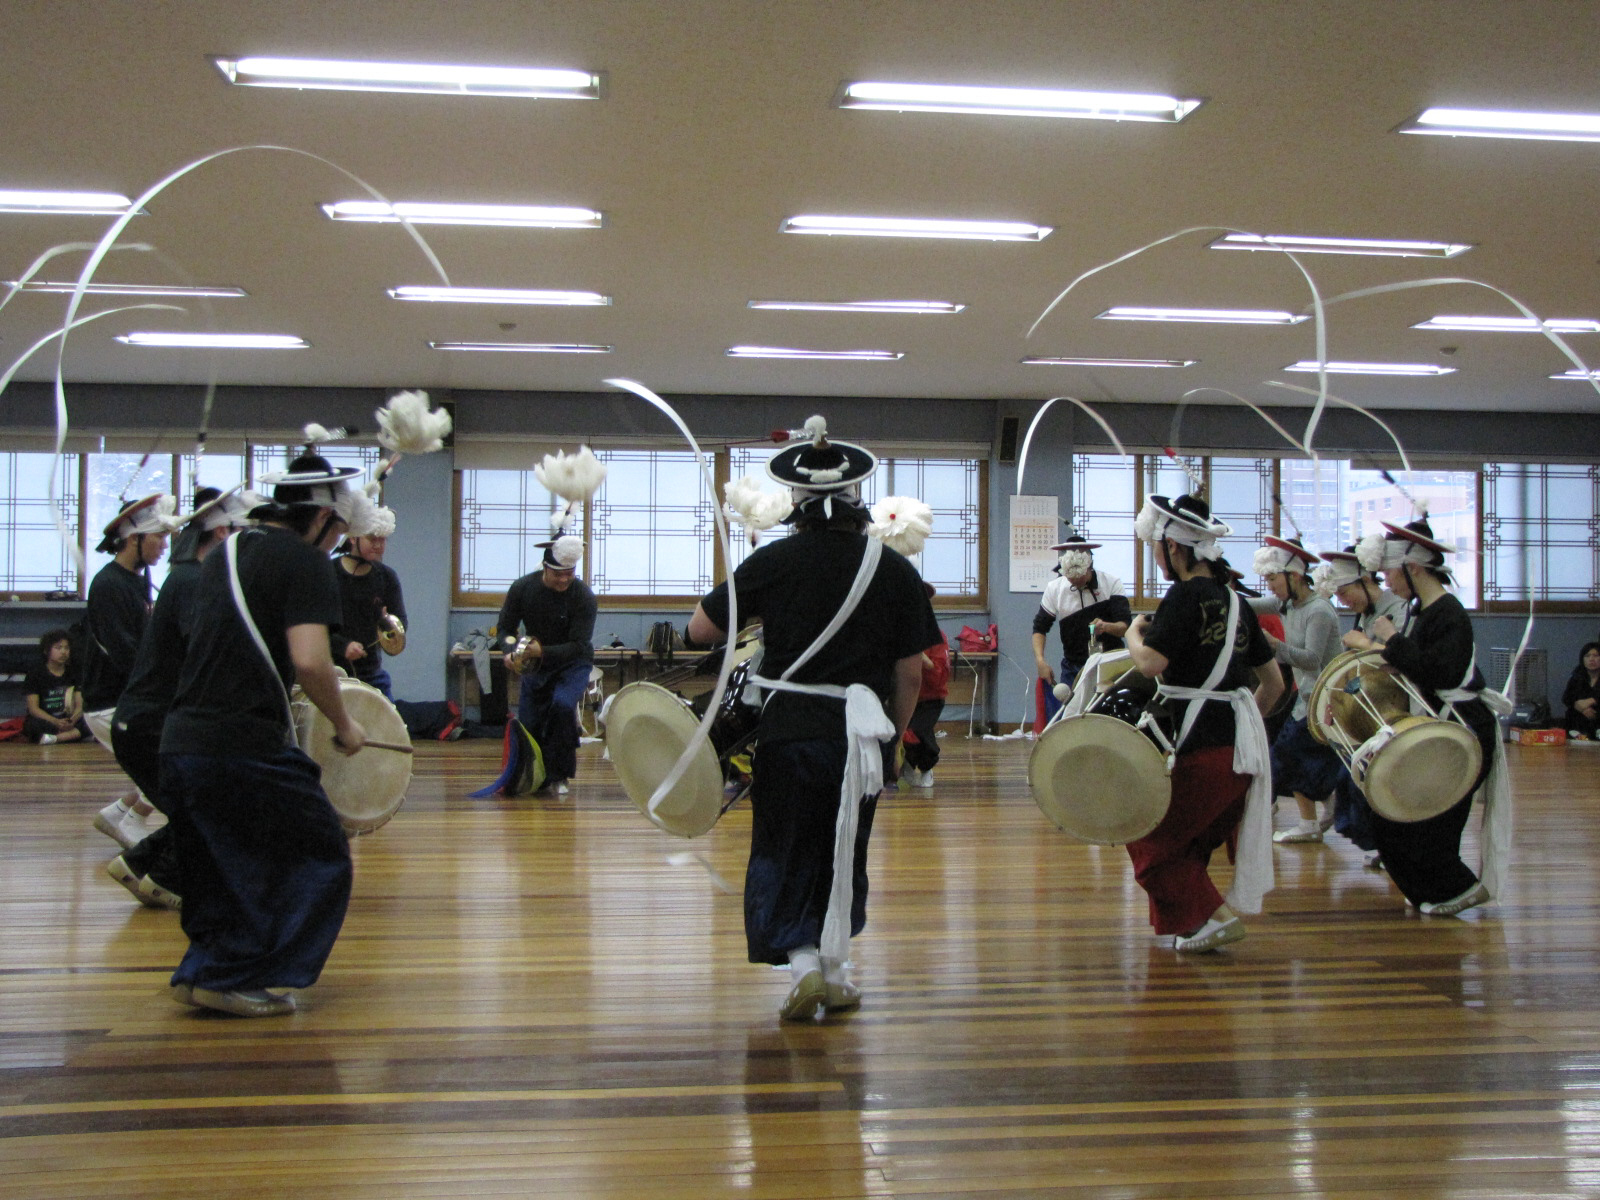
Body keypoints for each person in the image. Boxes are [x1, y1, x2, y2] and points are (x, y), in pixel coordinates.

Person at [687, 417, 938, 1020]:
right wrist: (897, 740)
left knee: (784, 845)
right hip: (863, 736)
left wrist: (763, 603)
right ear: (858, 500)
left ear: (795, 501)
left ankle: (803, 965)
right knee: (844, 846)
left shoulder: (775, 562)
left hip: (789, 731)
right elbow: (913, 673)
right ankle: (837, 971)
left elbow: (701, 630)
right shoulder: (894, 569)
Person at [158, 455, 370, 1017]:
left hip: (181, 742)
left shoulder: (222, 553)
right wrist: (345, 725)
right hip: (241, 744)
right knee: (319, 852)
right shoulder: (306, 563)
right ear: (323, 516)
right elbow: (310, 660)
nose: (338, 542)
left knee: (223, 866)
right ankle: (238, 976)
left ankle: (207, 970)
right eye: (340, 530)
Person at [1123, 494, 1282, 952]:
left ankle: (1211, 922)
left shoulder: (1183, 596)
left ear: (1174, 547)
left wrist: (1134, 633)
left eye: (1156, 546)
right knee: (1187, 845)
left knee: (1147, 835)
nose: (1156, 555)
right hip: (1241, 751)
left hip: (1198, 747)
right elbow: (1272, 686)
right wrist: (1240, 722)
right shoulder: (1239, 604)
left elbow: (1151, 663)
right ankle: (1191, 924)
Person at [1343, 514, 1509, 917]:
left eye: (1390, 573)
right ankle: (1431, 889)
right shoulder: (1423, 610)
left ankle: (1461, 888)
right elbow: (1420, 666)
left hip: (1464, 728)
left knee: (1433, 825)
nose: (1387, 582)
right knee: (1398, 817)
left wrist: (1392, 641)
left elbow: (1442, 672)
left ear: (1413, 568)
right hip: (1440, 726)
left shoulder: (1449, 613)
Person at [106, 487, 261, 910]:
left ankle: (135, 864)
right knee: (208, 809)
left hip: (145, 721)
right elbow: (204, 653)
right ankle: (164, 879)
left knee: (196, 810)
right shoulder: (195, 580)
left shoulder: (189, 578)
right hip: (149, 724)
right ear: (223, 531)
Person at [83, 494, 179, 849]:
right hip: (112, 703)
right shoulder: (108, 585)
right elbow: (126, 654)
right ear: (133, 539)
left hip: (130, 699)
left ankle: (118, 813)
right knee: (170, 767)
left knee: (164, 765)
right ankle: (135, 832)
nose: (164, 545)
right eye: (159, 537)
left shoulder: (136, 580)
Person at [1317, 546, 1413, 865]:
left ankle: (1397, 849)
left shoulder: (1398, 607)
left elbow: (1400, 659)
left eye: (1346, 593)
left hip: (1402, 706)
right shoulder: (1366, 613)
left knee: (1389, 779)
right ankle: (1388, 848)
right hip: (1374, 709)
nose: (1344, 601)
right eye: (1340, 596)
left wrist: (1367, 645)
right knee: (1360, 778)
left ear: (1367, 581)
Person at [1252, 537, 1344, 845]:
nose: (1270, 587)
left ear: (1294, 576)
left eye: (1273, 578)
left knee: (1284, 757)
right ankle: (1322, 807)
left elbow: (1313, 659)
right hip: (1306, 698)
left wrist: (1276, 646)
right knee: (1295, 759)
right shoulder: (1287, 604)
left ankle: (1312, 819)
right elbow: (1252, 605)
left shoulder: (1318, 611)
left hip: (1324, 699)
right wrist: (1223, 595)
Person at [492, 534, 596, 796]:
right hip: (535, 665)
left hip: (573, 664)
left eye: (569, 574)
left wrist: (542, 651)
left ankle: (560, 774)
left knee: (562, 706)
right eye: (557, 574)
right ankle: (532, 775)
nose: (564, 580)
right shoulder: (523, 588)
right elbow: (505, 628)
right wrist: (512, 651)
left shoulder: (583, 596)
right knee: (530, 722)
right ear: (545, 567)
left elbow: (579, 645)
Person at [1032, 533, 1131, 727]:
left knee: (1110, 719)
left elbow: (1124, 627)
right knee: (1069, 721)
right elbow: (1039, 628)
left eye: (1080, 577)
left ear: (1089, 567)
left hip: (1110, 663)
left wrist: (1106, 626)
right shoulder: (1055, 588)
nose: (1075, 582)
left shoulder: (1111, 583)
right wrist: (1040, 660)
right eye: (1070, 578)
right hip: (1073, 665)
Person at [331, 530, 406, 698]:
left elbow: (401, 622)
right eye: (372, 539)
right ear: (352, 537)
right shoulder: (328, 573)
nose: (378, 545)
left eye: (383, 540)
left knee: (389, 723)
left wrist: (387, 623)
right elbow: (316, 626)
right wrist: (342, 646)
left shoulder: (387, 577)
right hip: (331, 673)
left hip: (372, 674)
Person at [901, 590, 949, 788]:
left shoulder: (936, 636)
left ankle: (926, 767)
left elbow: (939, 675)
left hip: (930, 698)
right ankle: (907, 766)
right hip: (903, 695)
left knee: (919, 730)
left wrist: (920, 656)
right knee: (898, 732)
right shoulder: (896, 632)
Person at [23, 630, 88, 744]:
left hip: (69, 719)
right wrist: (55, 721)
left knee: (91, 718)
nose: (63, 652)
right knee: (32, 725)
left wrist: (72, 720)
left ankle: (54, 738)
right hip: (48, 720)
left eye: (66, 648)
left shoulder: (75, 672)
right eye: (58, 648)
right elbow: (33, 709)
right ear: (46, 650)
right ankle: (72, 735)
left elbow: (80, 705)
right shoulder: (35, 674)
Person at [1563, 642, 1600, 740]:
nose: (1591, 659)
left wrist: (1593, 700)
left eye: (1596, 655)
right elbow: (1566, 698)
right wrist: (1581, 708)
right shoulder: (1577, 674)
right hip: (1578, 721)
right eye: (1587, 656)